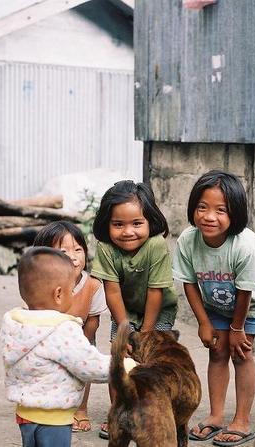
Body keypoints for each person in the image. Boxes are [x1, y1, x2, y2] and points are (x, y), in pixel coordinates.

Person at [172, 170, 255, 447]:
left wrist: (237, 329)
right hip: (214, 305)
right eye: (202, 207)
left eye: (220, 210)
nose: (209, 216)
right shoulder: (188, 240)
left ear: (235, 213)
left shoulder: (246, 245)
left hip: (250, 307)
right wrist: (203, 322)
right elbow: (189, 283)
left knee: (241, 355)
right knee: (217, 353)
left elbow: (245, 291)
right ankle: (216, 416)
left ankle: (242, 420)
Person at [90, 179, 179, 439]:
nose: (128, 231)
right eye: (118, 224)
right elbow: (112, 291)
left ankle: (157, 413)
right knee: (120, 359)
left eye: (136, 223)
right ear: (107, 225)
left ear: (150, 222)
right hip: (124, 312)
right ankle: (119, 412)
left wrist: (146, 333)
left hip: (159, 311)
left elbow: (156, 291)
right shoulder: (106, 248)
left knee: (155, 361)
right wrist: (126, 331)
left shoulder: (156, 245)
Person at [0, 247, 111, 447]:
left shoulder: (15, 325)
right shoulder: (62, 329)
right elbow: (90, 366)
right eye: (71, 290)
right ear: (59, 294)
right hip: (54, 419)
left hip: (25, 415)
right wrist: (124, 366)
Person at [32, 221, 108, 433]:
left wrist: (83, 342)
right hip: (49, 338)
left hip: (82, 336)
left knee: (84, 370)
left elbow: (93, 319)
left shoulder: (93, 285)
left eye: (78, 249)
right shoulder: (41, 284)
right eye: (63, 251)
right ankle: (49, 408)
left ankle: (81, 409)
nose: (73, 256)